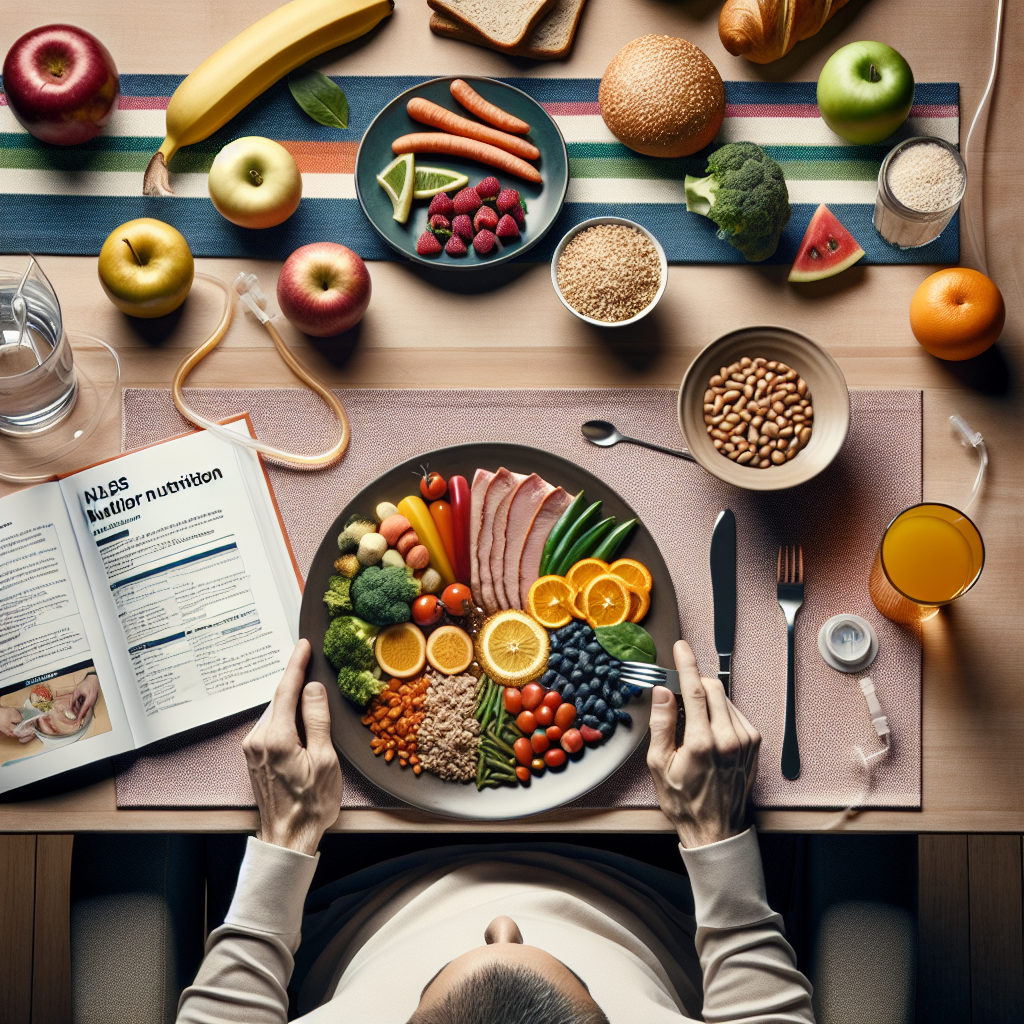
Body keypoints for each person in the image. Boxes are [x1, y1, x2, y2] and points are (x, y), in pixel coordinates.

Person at [176, 639, 815, 1024]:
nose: (504, 921)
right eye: (590, 992)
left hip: (348, 876)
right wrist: (714, 830)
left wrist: (288, 832)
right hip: (656, 874)